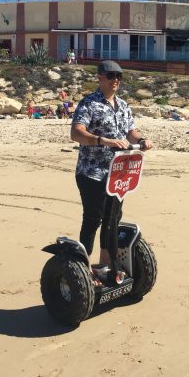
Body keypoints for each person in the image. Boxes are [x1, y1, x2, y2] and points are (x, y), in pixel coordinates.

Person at [71, 60, 153, 281]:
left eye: (119, 76)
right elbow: (76, 133)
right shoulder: (89, 103)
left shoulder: (123, 105)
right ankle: (83, 268)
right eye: (110, 75)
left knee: (113, 218)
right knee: (93, 218)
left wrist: (142, 140)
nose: (115, 79)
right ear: (100, 77)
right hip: (91, 172)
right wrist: (103, 141)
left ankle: (104, 264)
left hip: (117, 174)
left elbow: (131, 132)